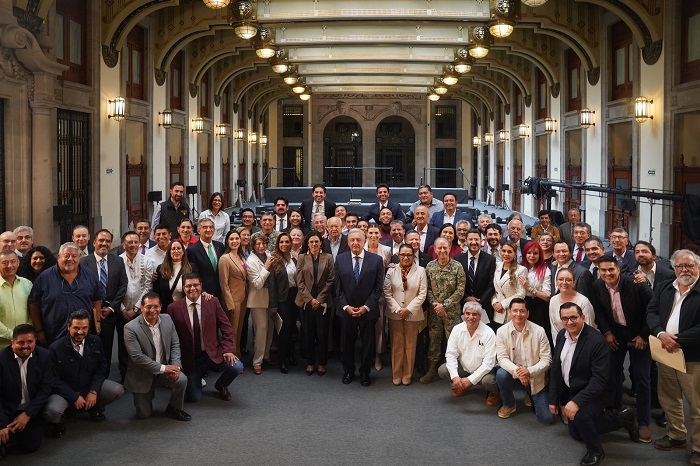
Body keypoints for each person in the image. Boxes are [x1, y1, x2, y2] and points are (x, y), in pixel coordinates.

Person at [549, 302, 639, 466]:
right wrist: (553, 398)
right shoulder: (561, 335)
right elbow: (556, 368)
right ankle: (623, 418)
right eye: (565, 318)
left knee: (582, 416)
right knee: (576, 433)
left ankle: (596, 450)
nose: (569, 322)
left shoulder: (597, 341)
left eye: (574, 317)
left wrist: (576, 402)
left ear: (583, 317)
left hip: (599, 391)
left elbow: (600, 381)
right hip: (575, 388)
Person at [589, 255, 654, 442]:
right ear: (599, 271)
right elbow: (599, 311)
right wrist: (607, 332)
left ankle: (643, 422)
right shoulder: (597, 286)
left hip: (639, 333)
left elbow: (654, 308)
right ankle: (616, 409)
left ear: (618, 269)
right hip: (616, 333)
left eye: (611, 269)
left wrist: (644, 334)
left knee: (642, 377)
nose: (607, 273)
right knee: (613, 373)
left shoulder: (634, 283)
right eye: (603, 270)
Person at [646, 249, 700, 463]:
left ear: (697, 266)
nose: (684, 270)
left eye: (689, 265)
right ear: (674, 268)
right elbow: (651, 312)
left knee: (696, 404)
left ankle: (698, 446)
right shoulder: (664, 287)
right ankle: (677, 435)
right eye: (679, 266)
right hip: (666, 353)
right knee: (669, 398)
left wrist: (678, 340)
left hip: (693, 356)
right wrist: (660, 333)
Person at [45, 310, 124, 435]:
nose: (80, 332)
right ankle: (60, 420)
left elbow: (102, 368)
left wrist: (93, 391)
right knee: (52, 411)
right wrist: (73, 396)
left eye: (84, 328)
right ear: (68, 327)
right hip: (65, 391)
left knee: (117, 390)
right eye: (76, 328)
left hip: (88, 387)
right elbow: (53, 379)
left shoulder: (95, 341)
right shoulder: (55, 348)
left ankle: (93, 406)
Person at [167, 273, 242, 402]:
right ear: (183, 288)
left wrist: (228, 349)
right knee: (194, 398)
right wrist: (176, 363)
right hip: (190, 359)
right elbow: (171, 339)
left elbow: (226, 327)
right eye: (188, 286)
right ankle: (195, 381)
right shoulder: (174, 308)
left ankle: (221, 385)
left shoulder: (212, 302)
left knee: (237, 367)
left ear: (201, 286)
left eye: (196, 285)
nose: (192, 289)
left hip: (212, 352)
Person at [123, 292, 190, 421]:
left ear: (161, 307)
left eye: (156, 306)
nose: (152, 310)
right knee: (143, 415)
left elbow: (175, 344)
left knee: (182, 379)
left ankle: (174, 408)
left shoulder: (167, 319)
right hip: (142, 374)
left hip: (164, 370)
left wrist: (176, 366)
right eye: (148, 307)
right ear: (142, 307)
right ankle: (148, 394)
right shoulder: (130, 328)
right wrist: (164, 368)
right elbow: (137, 357)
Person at [335, 229, 385, 386]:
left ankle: (365, 372)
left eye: (358, 240)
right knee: (347, 343)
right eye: (352, 240)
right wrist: (346, 306)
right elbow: (338, 288)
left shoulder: (376, 260)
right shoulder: (340, 259)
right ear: (348, 242)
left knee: (368, 344)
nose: (355, 243)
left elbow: (378, 288)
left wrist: (366, 306)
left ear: (365, 241)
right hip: (347, 311)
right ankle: (348, 371)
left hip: (367, 311)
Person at [29, 242, 103, 345]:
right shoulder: (44, 278)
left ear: (79, 257)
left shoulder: (89, 275)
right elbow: (33, 304)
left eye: (74, 256)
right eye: (66, 256)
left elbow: (97, 299)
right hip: (54, 334)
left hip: (83, 334)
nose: (70, 259)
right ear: (59, 257)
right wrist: (39, 330)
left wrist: (97, 321)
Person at [495, 298, 555, 423]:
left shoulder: (539, 331)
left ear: (528, 313)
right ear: (510, 312)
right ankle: (509, 404)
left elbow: (547, 359)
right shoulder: (501, 331)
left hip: (535, 376)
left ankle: (529, 392)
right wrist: (519, 371)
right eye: (515, 311)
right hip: (514, 373)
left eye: (522, 311)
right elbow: (502, 358)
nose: (518, 314)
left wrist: (529, 371)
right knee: (501, 374)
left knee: (548, 418)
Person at [80, 229, 128, 377]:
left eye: (108, 241)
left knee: (106, 348)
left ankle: (103, 378)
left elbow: (122, 286)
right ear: (94, 242)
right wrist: (95, 310)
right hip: (90, 313)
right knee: (89, 347)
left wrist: (112, 308)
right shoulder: (83, 262)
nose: (104, 244)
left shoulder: (118, 261)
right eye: (101, 240)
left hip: (110, 313)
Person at [0, 325, 54, 456]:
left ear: (35, 341)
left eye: (30, 342)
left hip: (31, 409)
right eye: (20, 342)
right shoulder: (1, 359)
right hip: (7, 409)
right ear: (12, 343)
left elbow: (45, 388)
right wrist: (1, 425)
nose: (25, 346)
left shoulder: (44, 356)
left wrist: (28, 414)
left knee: (31, 446)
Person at [420, 237, 467, 384]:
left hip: (451, 313)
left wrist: (444, 305)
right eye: (439, 248)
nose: (442, 250)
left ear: (449, 249)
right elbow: (426, 289)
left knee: (455, 344)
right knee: (433, 341)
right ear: (434, 249)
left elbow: (460, 290)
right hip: (434, 313)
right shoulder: (429, 267)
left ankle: (458, 375)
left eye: (445, 248)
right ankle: (432, 370)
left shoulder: (457, 266)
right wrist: (436, 304)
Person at [437, 302, 498, 404]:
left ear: (480, 316)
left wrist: (471, 380)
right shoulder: (457, 329)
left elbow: (489, 363)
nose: (471, 317)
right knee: (443, 370)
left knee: (489, 381)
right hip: (464, 367)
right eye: (468, 313)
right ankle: (460, 385)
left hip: (483, 370)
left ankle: (494, 393)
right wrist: (455, 376)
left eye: (474, 314)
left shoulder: (489, 333)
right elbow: (451, 354)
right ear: (463, 315)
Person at [384, 244, 427, 385]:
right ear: (398, 255)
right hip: (395, 313)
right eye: (403, 254)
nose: (406, 257)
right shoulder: (391, 271)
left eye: (409, 255)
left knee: (410, 344)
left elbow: (422, 294)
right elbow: (387, 293)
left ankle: (407, 374)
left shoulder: (421, 271)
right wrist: (397, 309)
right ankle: (396, 373)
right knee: (396, 344)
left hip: (412, 314)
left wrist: (408, 309)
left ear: (414, 256)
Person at [295, 232, 335, 376]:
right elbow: (299, 281)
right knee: (308, 333)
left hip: (323, 302)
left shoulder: (328, 258)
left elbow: (331, 279)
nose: (314, 244)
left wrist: (319, 299)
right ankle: (311, 362)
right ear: (307, 243)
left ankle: (322, 363)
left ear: (321, 243)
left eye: (316, 242)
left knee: (323, 333)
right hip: (306, 302)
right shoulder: (301, 258)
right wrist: (310, 299)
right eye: (311, 242)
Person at [119, 231, 157, 380]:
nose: (133, 245)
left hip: (140, 310)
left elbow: (147, 287)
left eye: (136, 242)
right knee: (123, 345)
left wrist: (135, 309)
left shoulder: (147, 261)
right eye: (130, 242)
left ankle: (142, 374)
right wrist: (123, 309)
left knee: (141, 343)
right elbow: (115, 288)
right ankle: (124, 375)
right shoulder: (117, 261)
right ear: (123, 245)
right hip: (121, 310)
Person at [268, 233, 298, 373]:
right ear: (278, 244)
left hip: (295, 297)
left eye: (287, 241)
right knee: (284, 329)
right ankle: (282, 360)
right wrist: (273, 305)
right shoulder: (274, 260)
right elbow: (272, 285)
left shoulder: (294, 259)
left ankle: (291, 354)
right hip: (282, 299)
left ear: (291, 243)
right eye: (282, 242)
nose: (284, 244)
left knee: (292, 328)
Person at [454, 228, 496, 325]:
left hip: (483, 305)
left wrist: (479, 303)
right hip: (463, 305)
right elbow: (455, 282)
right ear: (465, 241)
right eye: (471, 239)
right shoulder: (458, 258)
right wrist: (466, 297)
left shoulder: (490, 259)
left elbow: (491, 284)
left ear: (481, 241)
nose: (474, 242)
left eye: (476, 239)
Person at [246, 232, 274, 375]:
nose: (261, 246)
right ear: (253, 246)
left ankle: (266, 355)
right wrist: (266, 267)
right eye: (258, 244)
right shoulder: (250, 261)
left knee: (269, 329)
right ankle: (257, 361)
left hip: (269, 298)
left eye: (263, 243)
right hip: (257, 301)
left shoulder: (268, 256)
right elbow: (257, 283)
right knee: (261, 331)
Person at [548, 268, 596, 345]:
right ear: (556, 282)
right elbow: (554, 329)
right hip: (563, 344)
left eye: (568, 280)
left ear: (574, 283)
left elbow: (588, 328)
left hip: (584, 343)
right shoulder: (553, 300)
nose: (564, 282)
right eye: (561, 279)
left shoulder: (583, 301)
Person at [218, 230, 247, 357]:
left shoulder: (241, 256)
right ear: (227, 242)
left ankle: (238, 353)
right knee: (232, 332)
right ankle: (232, 358)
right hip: (233, 300)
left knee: (240, 330)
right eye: (231, 239)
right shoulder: (225, 259)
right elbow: (223, 284)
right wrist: (229, 303)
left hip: (243, 298)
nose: (235, 241)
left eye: (237, 239)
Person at [153, 239, 198, 311]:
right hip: (167, 310)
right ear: (169, 252)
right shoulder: (161, 269)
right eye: (173, 249)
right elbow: (156, 291)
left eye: (179, 248)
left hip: (187, 309)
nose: (176, 251)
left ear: (183, 251)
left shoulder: (191, 268)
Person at [0, 251, 32, 349]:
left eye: (13, 261)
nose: (9, 266)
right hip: (2, 345)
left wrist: (26, 335)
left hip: (26, 345)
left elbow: (32, 312)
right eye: (4, 263)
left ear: (18, 263)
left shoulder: (27, 284)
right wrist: (13, 336)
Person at [519, 241, 552, 336]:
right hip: (522, 304)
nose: (532, 256)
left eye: (535, 253)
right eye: (529, 253)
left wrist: (529, 288)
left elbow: (547, 297)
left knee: (537, 335)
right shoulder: (520, 267)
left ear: (540, 255)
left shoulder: (545, 269)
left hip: (539, 306)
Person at [491, 241, 527, 328]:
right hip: (496, 313)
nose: (506, 254)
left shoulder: (521, 270)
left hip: (510, 313)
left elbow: (521, 294)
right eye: (504, 251)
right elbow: (492, 289)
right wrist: (494, 302)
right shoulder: (496, 266)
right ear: (500, 251)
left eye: (510, 252)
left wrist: (503, 305)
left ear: (515, 254)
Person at [186, 218, 225, 297]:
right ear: (198, 231)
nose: (208, 229)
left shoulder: (220, 246)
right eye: (205, 227)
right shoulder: (192, 250)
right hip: (203, 294)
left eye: (211, 227)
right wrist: (202, 291)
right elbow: (193, 274)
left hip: (221, 292)